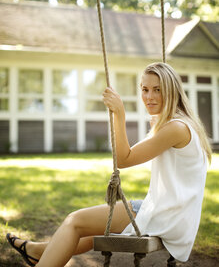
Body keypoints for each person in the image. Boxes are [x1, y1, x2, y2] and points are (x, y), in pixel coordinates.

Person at [6, 62, 211, 267]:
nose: (149, 97)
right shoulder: (184, 123)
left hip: (168, 216)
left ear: (171, 91)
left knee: (75, 221)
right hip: (174, 213)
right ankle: (36, 251)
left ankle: (40, 258)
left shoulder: (175, 128)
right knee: (91, 230)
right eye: (145, 89)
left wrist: (119, 114)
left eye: (157, 90)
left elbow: (124, 159)